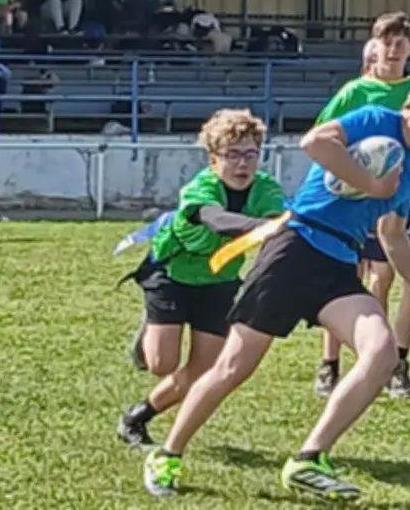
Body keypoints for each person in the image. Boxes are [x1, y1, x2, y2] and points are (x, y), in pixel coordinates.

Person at [142, 68, 410, 500]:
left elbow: (392, 235)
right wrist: (371, 183)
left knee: (382, 353)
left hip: (339, 263)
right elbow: (314, 142)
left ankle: (309, 458)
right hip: (295, 248)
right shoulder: (378, 119)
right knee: (232, 368)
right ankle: (168, 454)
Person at [116, 109, 285, 449]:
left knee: (204, 369)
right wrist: (269, 226)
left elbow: (278, 219)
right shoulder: (199, 189)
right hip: (171, 276)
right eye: (232, 155)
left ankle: (136, 418)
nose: (242, 164)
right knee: (163, 365)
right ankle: (151, 327)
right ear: (213, 159)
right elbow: (217, 220)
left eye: (250, 154)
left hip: (218, 282)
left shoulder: (265, 188)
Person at [312, 11, 410, 400]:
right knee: (357, 276)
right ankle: (333, 362)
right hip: (358, 198)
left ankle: (399, 363)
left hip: (403, 195)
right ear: (373, 47)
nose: (393, 50)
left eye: (401, 44)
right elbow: (325, 142)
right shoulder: (356, 93)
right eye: (386, 43)